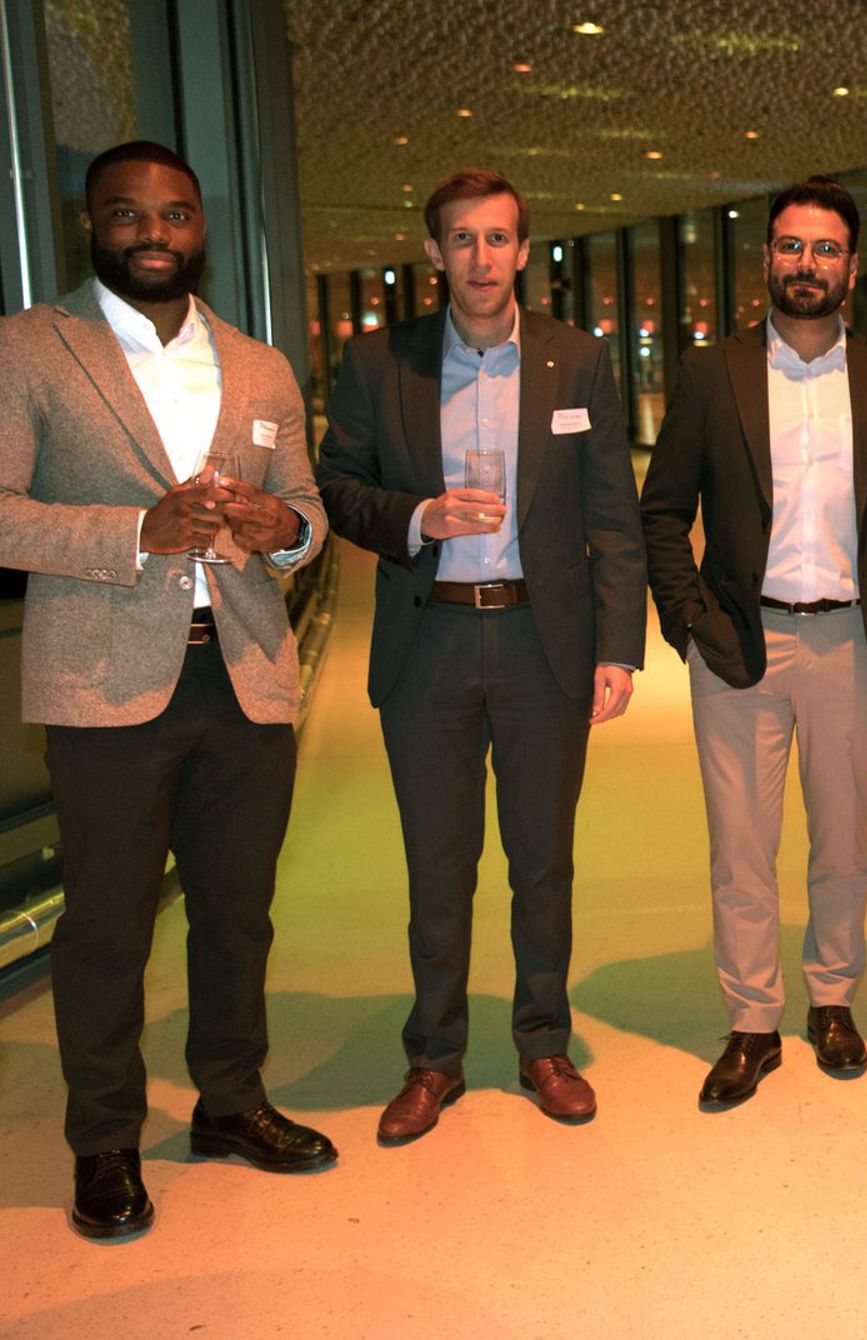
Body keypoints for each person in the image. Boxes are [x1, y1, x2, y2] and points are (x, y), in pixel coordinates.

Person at [0, 141, 334, 1240]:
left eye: (174, 214)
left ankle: (231, 1100)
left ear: (201, 227)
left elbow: (306, 510)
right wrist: (135, 531)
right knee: (106, 925)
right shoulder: (31, 347)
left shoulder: (259, 364)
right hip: (102, 685)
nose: (153, 233)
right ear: (90, 224)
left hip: (243, 677)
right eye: (128, 213)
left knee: (237, 913)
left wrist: (283, 528)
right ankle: (104, 1138)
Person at [316, 168, 646, 1142]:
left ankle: (543, 1043)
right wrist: (418, 515)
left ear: (522, 250)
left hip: (544, 641)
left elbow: (611, 514)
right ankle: (434, 1057)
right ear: (435, 252)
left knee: (542, 861)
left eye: (498, 238)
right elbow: (336, 487)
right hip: (431, 641)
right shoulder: (380, 362)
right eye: (462, 238)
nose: (481, 256)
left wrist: (618, 646)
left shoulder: (576, 360)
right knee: (438, 864)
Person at [641, 176, 867, 1107]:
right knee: (741, 849)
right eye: (791, 246)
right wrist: (690, 621)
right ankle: (752, 1020)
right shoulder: (712, 373)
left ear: (852, 268)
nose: (807, 264)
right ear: (766, 259)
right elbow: (661, 511)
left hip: (850, 643)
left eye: (826, 249)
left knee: (843, 844)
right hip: (739, 645)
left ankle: (833, 999)